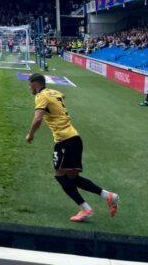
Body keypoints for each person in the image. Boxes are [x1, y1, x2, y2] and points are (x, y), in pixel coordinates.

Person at [25, 73, 118, 222]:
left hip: (64, 141)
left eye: (30, 84)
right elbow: (63, 95)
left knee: (60, 176)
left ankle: (85, 209)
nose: (29, 87)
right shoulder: (54, 92)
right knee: (72, 178)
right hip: (74, 138)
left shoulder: (41, 96)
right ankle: (108, 196)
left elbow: (38, 119)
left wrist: (30, 134)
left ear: (36, 83)